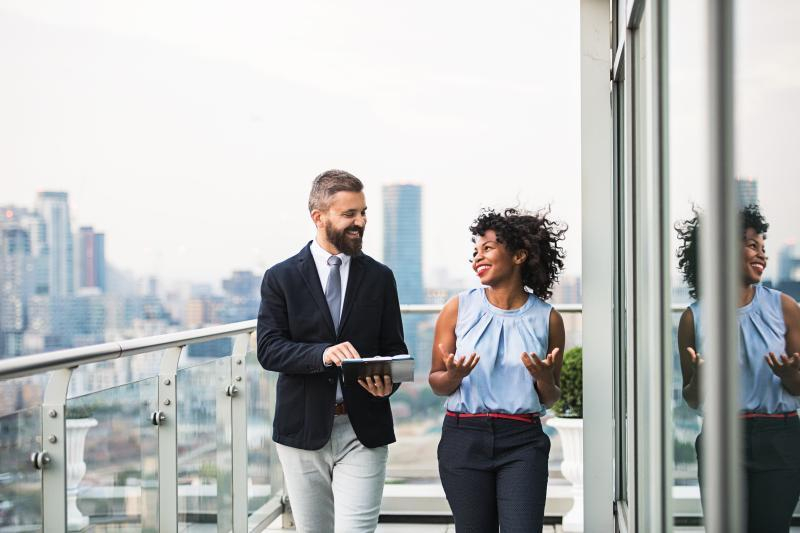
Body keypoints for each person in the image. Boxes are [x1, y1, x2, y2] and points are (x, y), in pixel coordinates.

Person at [257, 170, 408, 533]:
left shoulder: (380, 277)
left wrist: (389, 383)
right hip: (302, 431)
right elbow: (269, 349)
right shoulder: (281, 278)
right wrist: (323, 354)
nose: (361, 222)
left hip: (363, 430)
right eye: (350, 214)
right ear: (318, 217)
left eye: (364, 212)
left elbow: (395, 350)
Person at [429, 207, 567, 532]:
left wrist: (544, 379)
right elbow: (437, 382)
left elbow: (550, 397)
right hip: (464, 437)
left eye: (487, 248)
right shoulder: (457, 308)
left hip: (522, 442)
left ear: (519, 255)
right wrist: (454, 376)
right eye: (475, 251)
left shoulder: (549, 319)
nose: (478, 256)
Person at [676, 204, 800, 533]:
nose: (761, 254)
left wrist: (792, 379)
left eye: (763, 246)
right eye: (751, 244)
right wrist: (701, 381)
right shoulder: (693, 318)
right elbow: (691, 399)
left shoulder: (785, 308)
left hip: (779, 438)